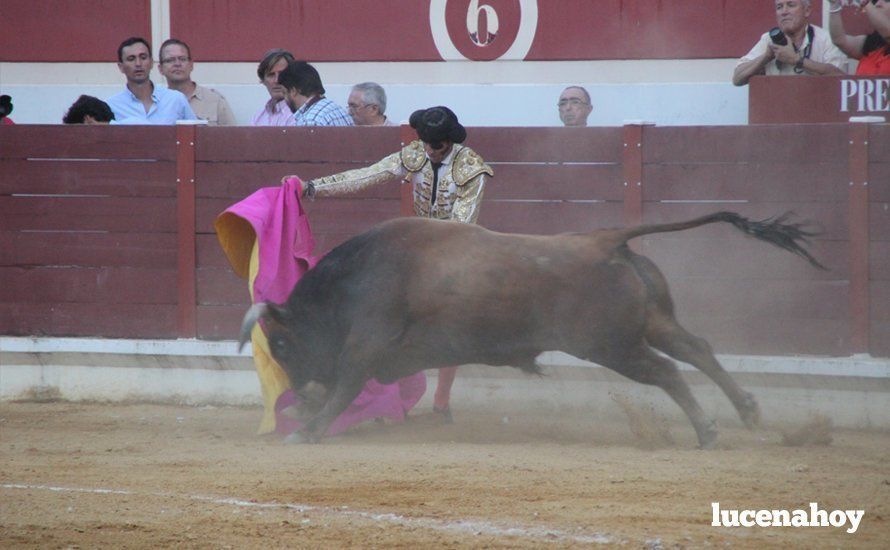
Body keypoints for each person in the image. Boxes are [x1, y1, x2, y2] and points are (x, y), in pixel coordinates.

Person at [296, 106, 494, 421]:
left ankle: (441, 402)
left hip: (455, 254)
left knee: (450, 324)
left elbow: (460, 227)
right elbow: (368, 175)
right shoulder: (415, 153)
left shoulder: (471, 169)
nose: (430, 149)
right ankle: (386, 400)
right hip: (415, 251)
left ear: (450, 141)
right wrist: (312, 187)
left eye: (437, 144)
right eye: (426, 142)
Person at [733, 0, 848, 86]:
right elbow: (737, 79)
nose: (784, 12)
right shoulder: (769, 39)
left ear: (807, 10)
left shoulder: (826, 39)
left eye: (791, 5)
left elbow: (841, 79)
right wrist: (766, 57)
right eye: (779, 7)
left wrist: (797, 60)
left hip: (817, 110)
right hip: (777, 111)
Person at [106, 37, 197, 124]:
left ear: (151, 62)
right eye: (131, 59)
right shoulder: (112, 106)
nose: (138, 64)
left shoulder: (175, 99)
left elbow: (194, 134)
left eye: (143, 57)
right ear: (121, 67)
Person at [158, 39, 236, 125]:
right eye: (170, 60)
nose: (177, 64)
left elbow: (233, 136)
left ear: (191, 65)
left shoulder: (214, 100)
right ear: (160, 69)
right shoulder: (156, 104)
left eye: (182, 59)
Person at [278, 61, 353, 126]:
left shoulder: (309, 122)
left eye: (284, 93)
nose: (284, 99)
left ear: (293, 91)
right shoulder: (338, 110)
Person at [828, 0, 890, 75]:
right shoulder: (872, 42)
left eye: (887, 0)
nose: (878, 4)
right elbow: (840, 41)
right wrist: (834, 6)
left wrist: (865, 2)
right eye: (875, 1)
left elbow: (887, 33)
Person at [251, 48, 295, 126]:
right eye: (271, 75)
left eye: (282, 74)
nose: (277, 80)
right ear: (263, 80)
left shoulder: (300, 116)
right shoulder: (257, 118)